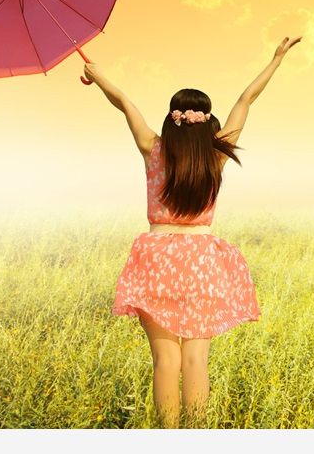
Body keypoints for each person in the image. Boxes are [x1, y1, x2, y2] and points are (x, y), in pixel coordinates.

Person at [83, 35, 302, 428]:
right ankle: (197, 436)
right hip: (202, 260)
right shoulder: (216, 154)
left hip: (156, 258)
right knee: (196, 359)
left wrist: (98, 76)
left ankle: (168, 438)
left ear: (173, 118)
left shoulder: (152, 147)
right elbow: (245, 100)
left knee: (165, 360)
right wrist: (276, 60)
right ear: (204, 122)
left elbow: (125, 103)